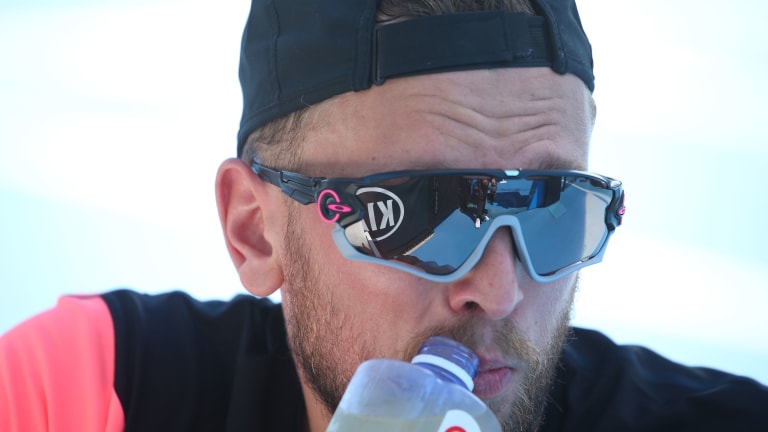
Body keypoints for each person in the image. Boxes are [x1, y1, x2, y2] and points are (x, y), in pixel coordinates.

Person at [1, 0, 767, 431]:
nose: (498, 292)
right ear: (255, 230)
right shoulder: (97, 390)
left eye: (556, 208)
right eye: (418, 215)